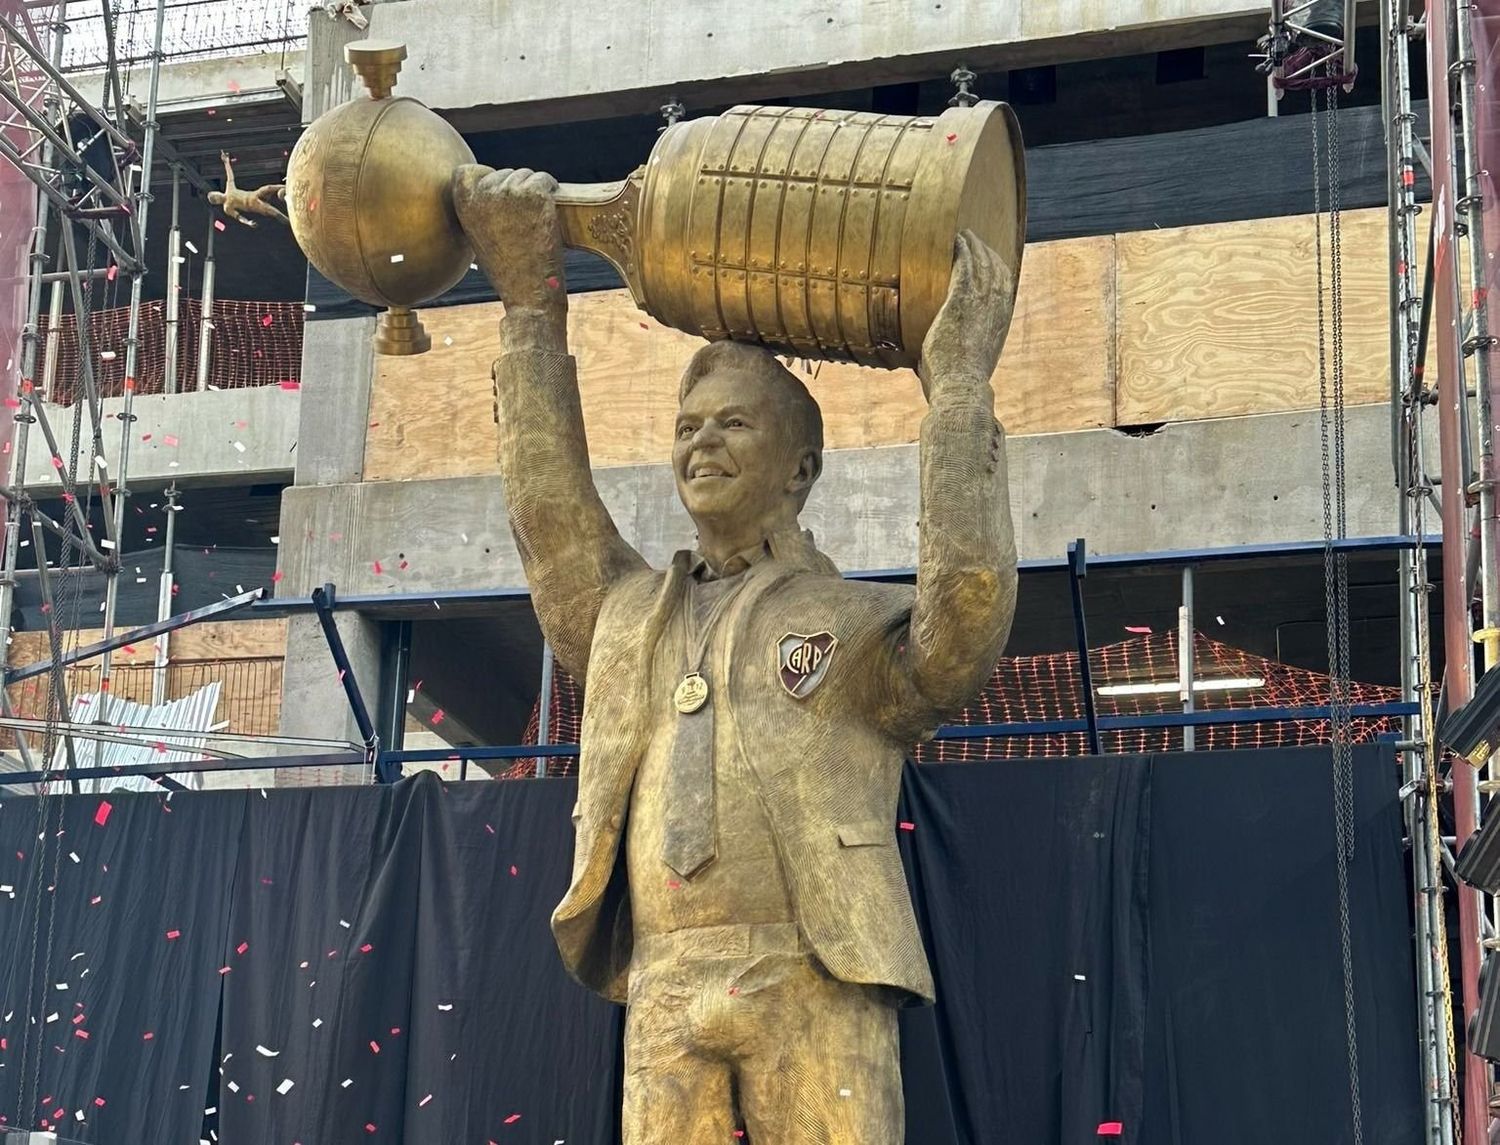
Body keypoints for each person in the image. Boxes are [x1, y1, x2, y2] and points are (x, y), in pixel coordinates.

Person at [454, 164, 1019, 1144]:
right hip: (666, 976)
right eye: (685, 428)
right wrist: (528, 309)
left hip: (816, 967)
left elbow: (963, 624)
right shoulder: (629, 616)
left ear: (801, 466)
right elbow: (553, 526)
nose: (700, 444)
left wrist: (959, 389)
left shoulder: (850, 620)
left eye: (732, 423)